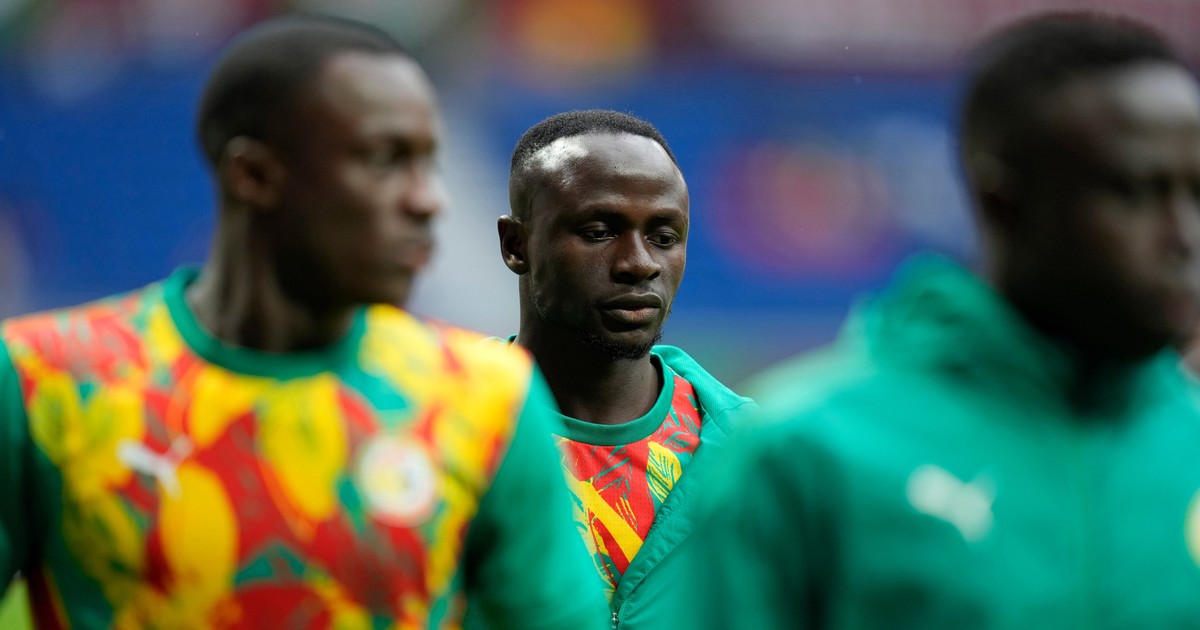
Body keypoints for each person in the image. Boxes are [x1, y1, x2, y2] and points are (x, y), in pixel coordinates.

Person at [0, 15, 607, 629]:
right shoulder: (43, 381)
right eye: (385, 160)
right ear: (255, 176)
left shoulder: (485, 398)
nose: (428, 200)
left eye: (429, 164)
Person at [681, 12, 1200, 629]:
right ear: (1004, 202)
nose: (1184, 237)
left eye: (1197, 193)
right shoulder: (808, 453)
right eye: (1136, 192)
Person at [497, 109, 756, 628]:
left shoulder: (753, 456)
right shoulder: (442, 426)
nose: (639, 263)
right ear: (516, 245)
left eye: (664, 236)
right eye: (598, 232)